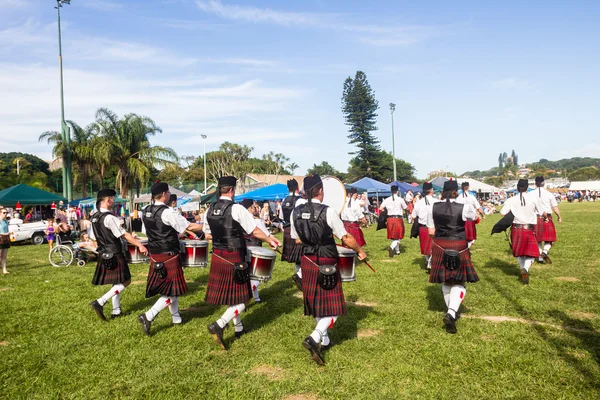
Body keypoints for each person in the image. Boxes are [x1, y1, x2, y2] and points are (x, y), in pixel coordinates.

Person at [291, 174, 366, 365]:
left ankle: (325, 339)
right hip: (325, 260)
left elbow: (297, 239)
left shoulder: (295, 212)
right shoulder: (328, 212)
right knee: (334, 307)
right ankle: (314, 338)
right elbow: (346, 238)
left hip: (307, 260)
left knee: (317, 302)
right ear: (321, 191)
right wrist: (360, 250)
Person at [203, 176, 279, 350]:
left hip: (218, 256)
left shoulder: (210, 209)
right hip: (234, 256)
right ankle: (220, 324)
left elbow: (208, 235)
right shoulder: (236, 208)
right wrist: (270, 240)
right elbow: (254, 231)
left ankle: (239, 328)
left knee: (233, 296)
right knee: (244, 298)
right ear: (232, 190)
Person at [137, 182, 203, 335]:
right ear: (165, 194)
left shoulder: (145, 211)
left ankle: (176, 318)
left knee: (170, 288)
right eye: (167, 192)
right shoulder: (168, 212)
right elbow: (189, 227)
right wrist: (207, 225)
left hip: (155, 254)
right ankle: (149, 315)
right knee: (173, 291)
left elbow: (146, 231)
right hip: (169, 254)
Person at [427, 179, 478, 334]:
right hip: (458, 244)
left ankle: (451, 311)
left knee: (447, 279)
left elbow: (430, 232)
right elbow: (475, 218)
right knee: (459, 280)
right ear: (457, 191)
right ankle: (451, 312)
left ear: (443, 191)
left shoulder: (433, 207)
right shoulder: (465, 206)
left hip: (439, 244)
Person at [89, 189, 148, 321]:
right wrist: (140, 245)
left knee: (116, 282)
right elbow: (124, 235)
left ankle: (116, 311)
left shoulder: (94, 217)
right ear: (108, 200)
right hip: (115, 252)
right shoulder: (110, 217)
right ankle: (100, 301)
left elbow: (93, 237)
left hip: (103, 253)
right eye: (113, 199)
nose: (114, 201)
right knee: (126, 280)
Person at [500, 179, 540, 284]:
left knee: (520, 254)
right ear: (527, 188)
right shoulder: (533, 199)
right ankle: (525, 269)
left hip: (516, 229)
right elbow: (541, 212)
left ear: (517, 188)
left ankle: (522, 268)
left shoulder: (511, 200)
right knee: (532, 254)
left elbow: (503, 213)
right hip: (529, 229)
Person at [240, 198, 272, 303]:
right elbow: (266, 234)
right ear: (249, 208)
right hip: (256, 249)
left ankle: (256, 297)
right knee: (258, 274)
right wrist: (274, 242)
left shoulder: (239, 220)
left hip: (243, 249)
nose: (256, 208)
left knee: (249, 273)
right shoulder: (256, 221)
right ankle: (249, 292)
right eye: (254, 206)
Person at [281, 179, 306, 290]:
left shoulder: (283, 200)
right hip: (297, 231)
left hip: (287, 230)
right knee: (302, 256)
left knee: (297, 258)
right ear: (297, 187)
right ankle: (299, 276)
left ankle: (299, 278)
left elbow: (281, 217)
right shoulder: (300, 201)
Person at [533, 176, 562, 264]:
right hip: (547, 218)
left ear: (535, 183)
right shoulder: (549, 194)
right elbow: (555, 208)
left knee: (538, 239)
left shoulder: (530, 194)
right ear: (544, 183)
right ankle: (544, 252)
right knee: (550, 239)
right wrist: (559, 217)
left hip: (535, 218)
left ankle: (540, 258)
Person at [411, 182, 436, 271]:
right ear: (431, 190)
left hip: (423, 227)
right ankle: (430, 262)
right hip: (434, 227)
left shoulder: (418, 203)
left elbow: (413, 216)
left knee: (426, 247)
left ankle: (428, 260)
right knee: (434, 246)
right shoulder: (436, 201)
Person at [380, 185, 408, 257]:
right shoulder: (400, 199)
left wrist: (386, 212)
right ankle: (391, 248)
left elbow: (381, 208)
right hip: (397, 219)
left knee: (394, 237)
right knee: (398, 236)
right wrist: (409, 211)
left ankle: (397, 251)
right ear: (397, 191)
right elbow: (406, 208)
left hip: (389, 219)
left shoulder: (386, 199)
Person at [455, 182, 486, 248]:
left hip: (460, 219)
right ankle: (466, 248)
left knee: (463, 236)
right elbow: (479, 208)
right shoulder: (472, 197)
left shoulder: (458, 198)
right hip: (469, 219)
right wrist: (483, 215)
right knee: (471, 238)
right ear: (468, 188)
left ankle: (464, 248)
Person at [0, 208, 10, 274]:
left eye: (6, 212)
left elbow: (7, 230)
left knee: (4, 256)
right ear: (0, 213)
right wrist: (5, 234)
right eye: (4, 212)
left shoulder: (6, 221)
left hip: (6, 239)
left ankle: (4, 270)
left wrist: (8, 234)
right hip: (0, 239)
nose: (5, 214)